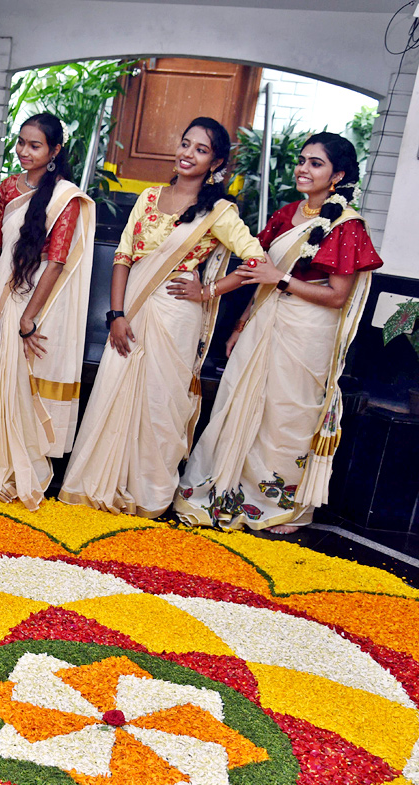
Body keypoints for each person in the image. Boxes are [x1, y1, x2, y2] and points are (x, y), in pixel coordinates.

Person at [59, 117, 265, 518]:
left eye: (200, 150)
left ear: (216, 162)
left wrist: (207, 291)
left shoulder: (219, 212)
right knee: (113, 391)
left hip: (176, 315)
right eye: (185, 144)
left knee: (160, 402)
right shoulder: (150, 196)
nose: (188, 154)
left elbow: (257, 261)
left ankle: (148, 493)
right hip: (130, 310)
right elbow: (122, 256)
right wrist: (116, 314)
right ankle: (96, 483)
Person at [176, 132, 381, 532]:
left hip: (308, 331)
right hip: (264, 319)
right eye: (302, 160)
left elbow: (338, 296)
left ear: (337, 175)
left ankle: (275, 503)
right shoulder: (287, 214)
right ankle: (223, 489)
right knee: (238, 400)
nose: (304, 169)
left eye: (316, 163)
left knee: (287, 413)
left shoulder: (348, 226)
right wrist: (239, 324)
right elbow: (259, 275)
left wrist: (280, 279)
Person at [0, 113, 95, 508]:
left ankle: (21, 470)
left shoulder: (65, 198)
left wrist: (28, 316)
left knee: (20, 383)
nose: (23, 151)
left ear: (54, 151)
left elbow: (56, 262)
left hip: (34, 299)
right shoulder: (6, 188)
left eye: (34, 145)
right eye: (21, 142)